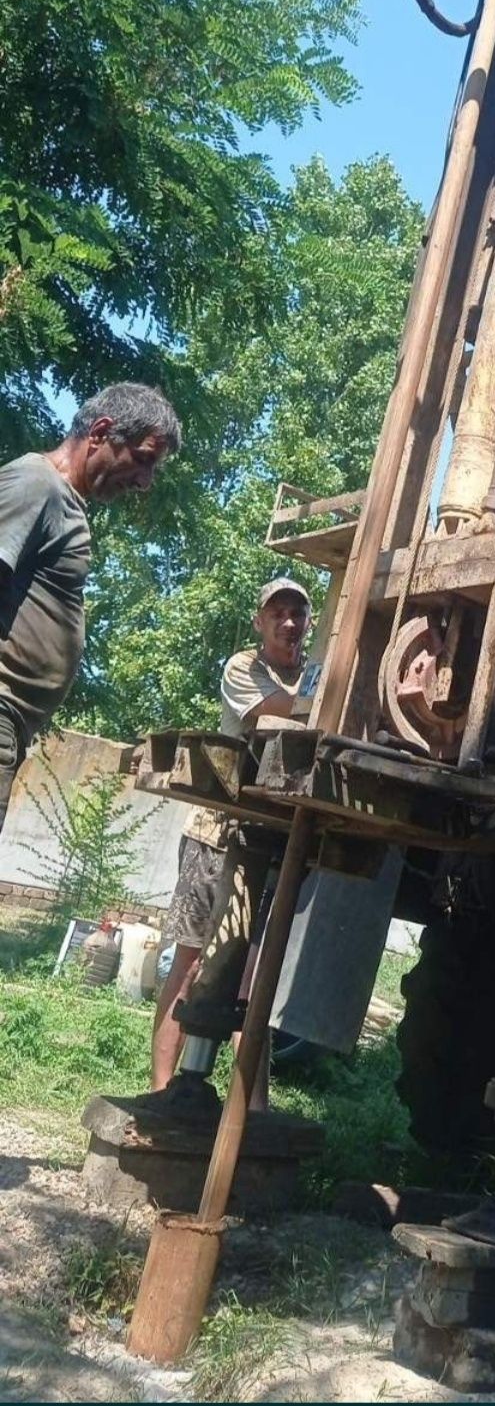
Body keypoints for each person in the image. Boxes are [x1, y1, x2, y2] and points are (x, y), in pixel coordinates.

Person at [151, 576, 313, 1099]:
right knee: (192, 959)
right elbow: (270, 715)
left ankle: (251, 1107)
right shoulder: (244, 666)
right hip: (215, 834)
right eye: (278, 613)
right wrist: (334, 696)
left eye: (298, 614)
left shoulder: (316, 675)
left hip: (273, 838)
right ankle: (162, 1092)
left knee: (257, 975)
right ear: (260, 622)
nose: (289, 623)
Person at [0, 383, 181, 832]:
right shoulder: (37, 484)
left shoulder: (65, 503)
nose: (144, 482)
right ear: (101, 432)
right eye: (142, 460)